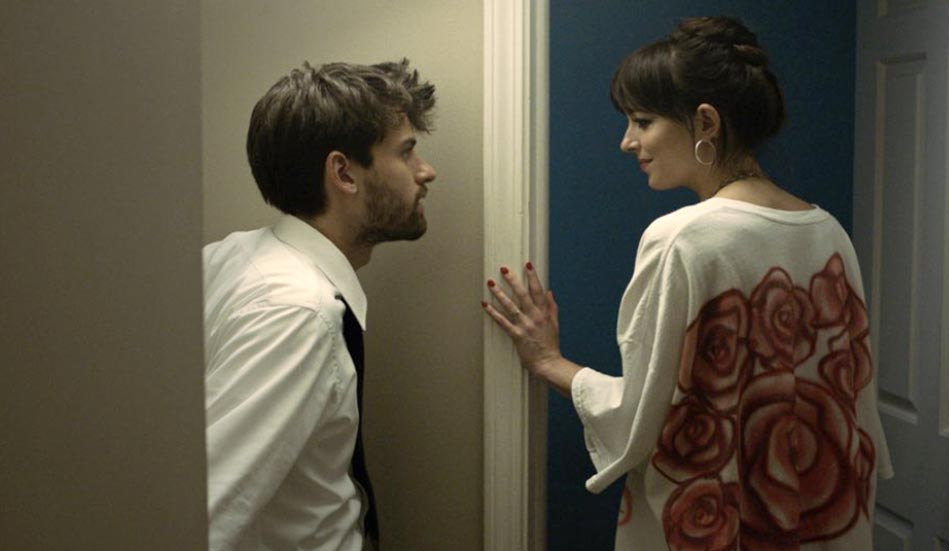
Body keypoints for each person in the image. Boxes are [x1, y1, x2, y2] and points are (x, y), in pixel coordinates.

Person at [483, 16, 893, 551]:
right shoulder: (829, 233)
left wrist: (547, 362)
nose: (627, 142)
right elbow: (854, 411)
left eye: (642, 121)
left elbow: (640, 417)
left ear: (705, 121)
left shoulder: (684, 238)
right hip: (822, 519)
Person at [203, 59, 437, 551]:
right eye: (406, 152)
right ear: (344, 173)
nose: (425, 171)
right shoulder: (298, 314)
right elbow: (207, 510)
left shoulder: (232, 256)